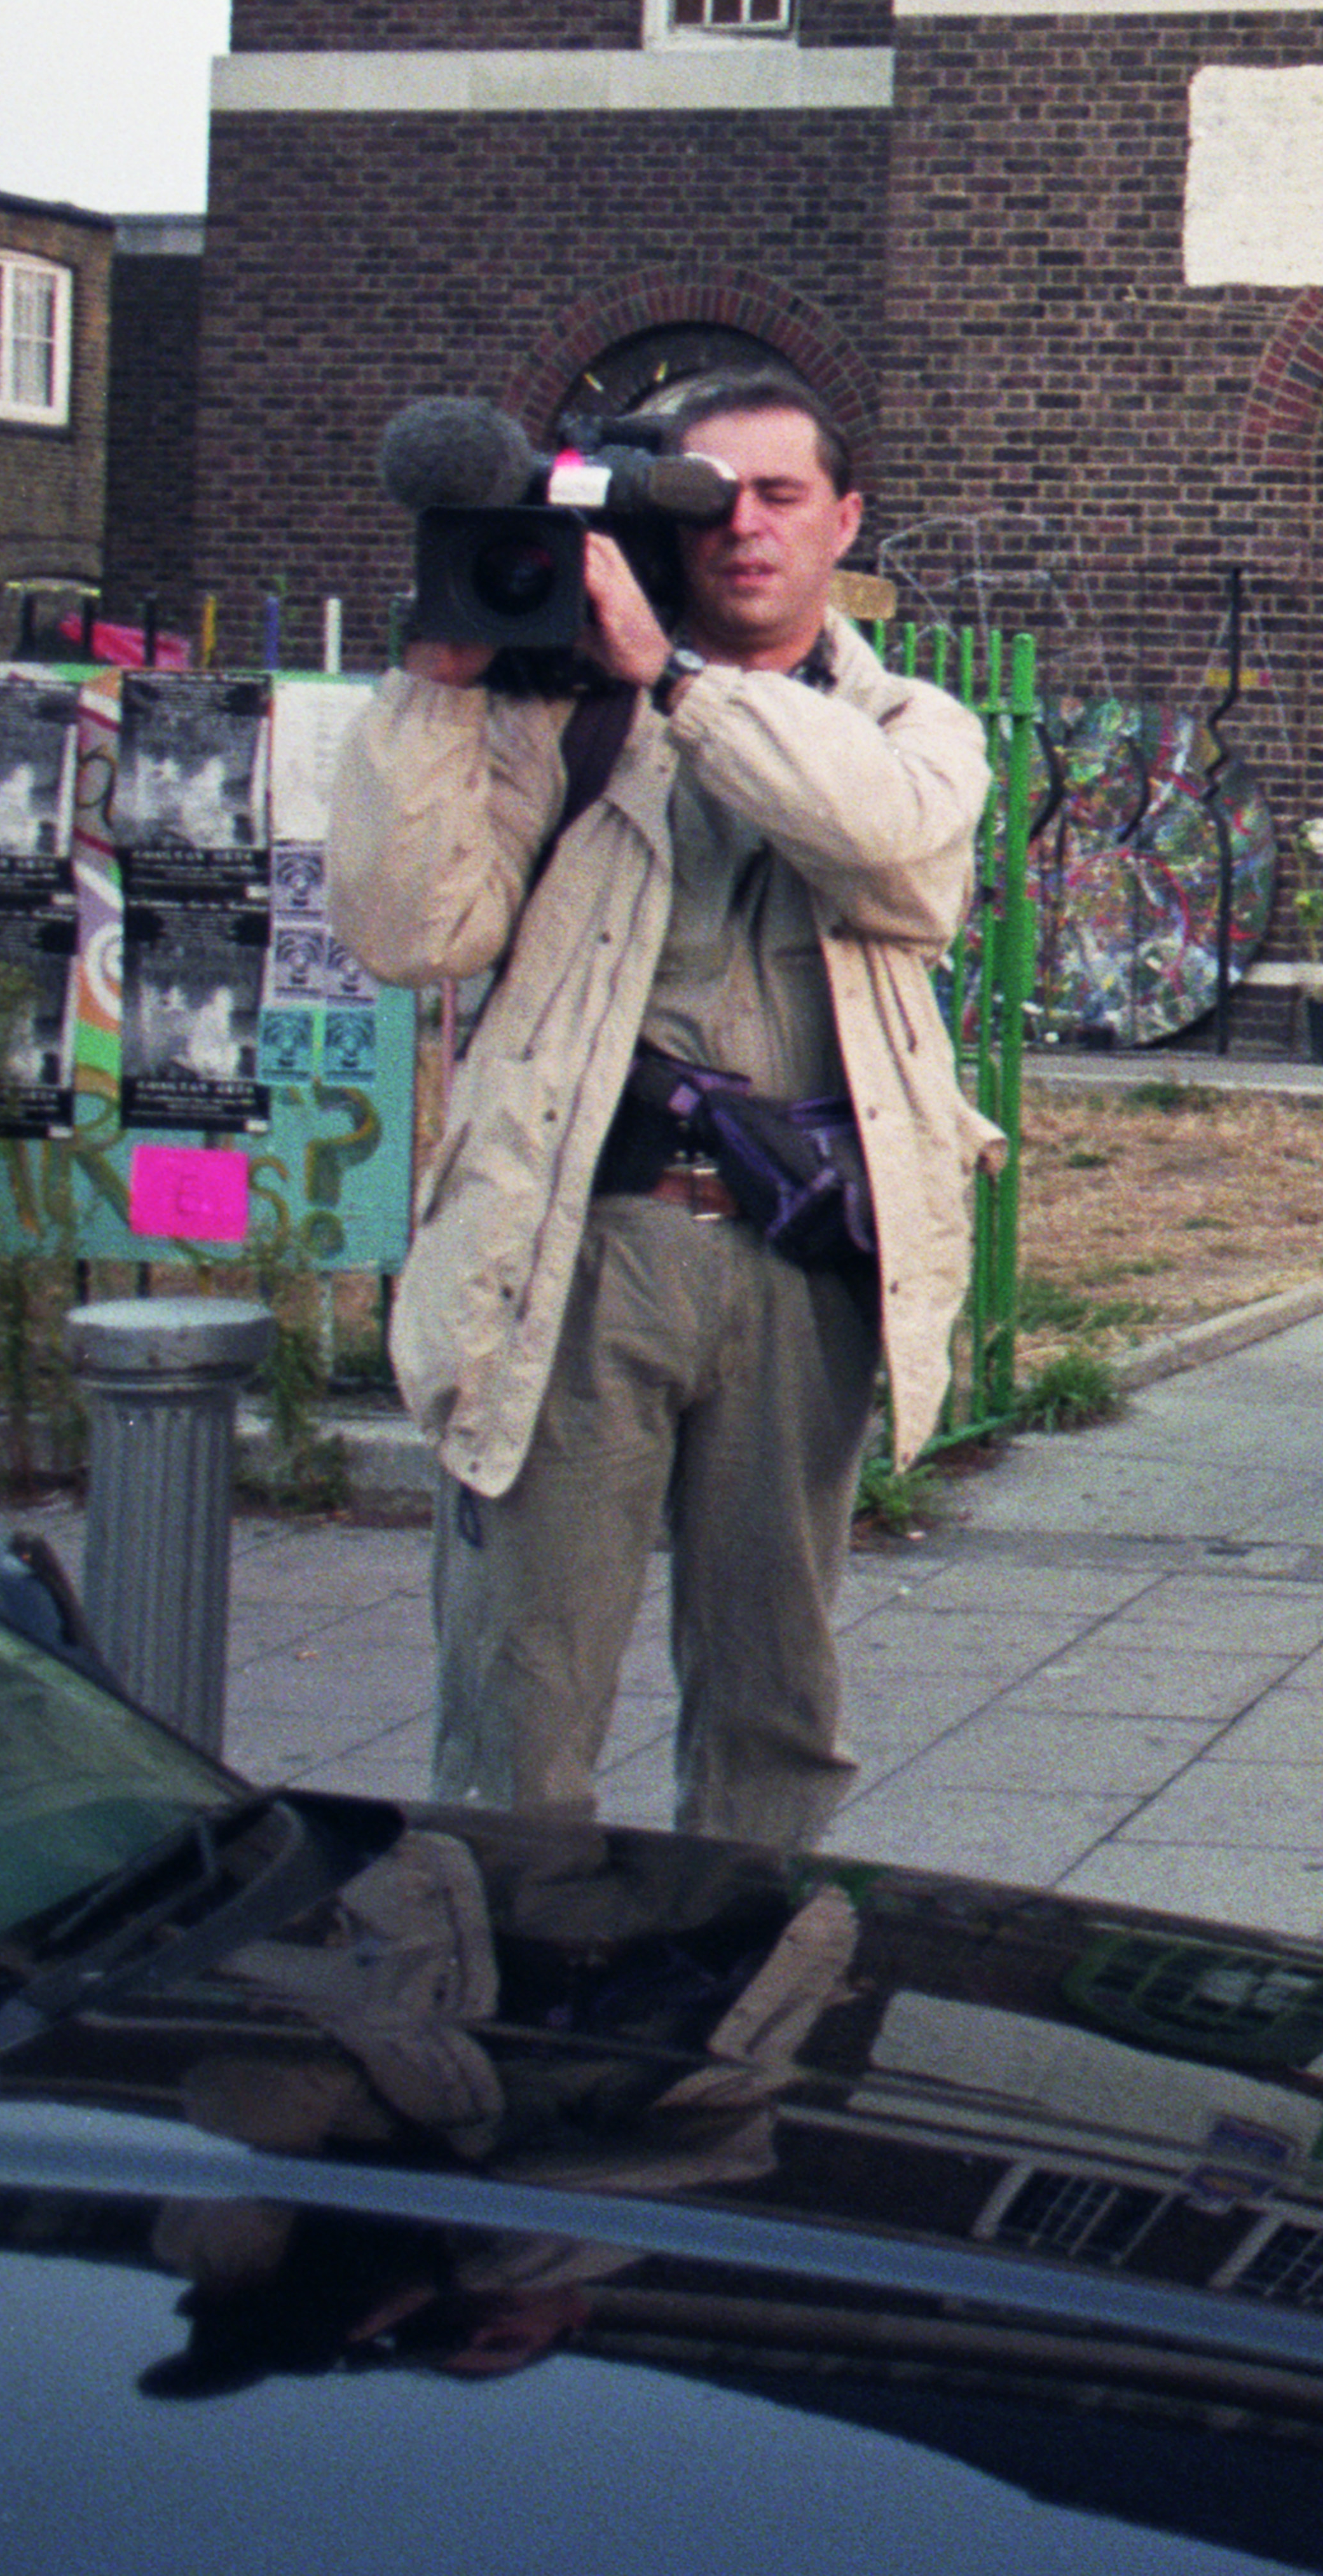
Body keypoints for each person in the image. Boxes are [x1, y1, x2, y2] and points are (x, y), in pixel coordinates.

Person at [332, 372, 996, 1846]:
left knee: (775, 1711)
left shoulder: (912, 723)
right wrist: (436, 685)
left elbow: (882, 845)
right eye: (710, 496)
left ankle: (734, 2055)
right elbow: (405, 928)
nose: (745, 529)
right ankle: (519, 2040)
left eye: (781, 497)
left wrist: (683, 688)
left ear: (844, 522)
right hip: (578, 1245)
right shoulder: (562, 717)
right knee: (523, 1702)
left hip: (798, 1259)